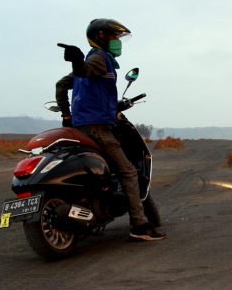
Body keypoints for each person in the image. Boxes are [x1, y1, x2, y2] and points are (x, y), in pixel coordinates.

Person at [55, 18, 165, 241]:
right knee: (128, 172)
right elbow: (85, 71)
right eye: (115, 37)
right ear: (102, 37)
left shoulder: (95, 61)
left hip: (80, 128)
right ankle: (139, 226)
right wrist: (77, 62)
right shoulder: (99, 59)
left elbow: (62, 85)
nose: (118, 42)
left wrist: (67, 116)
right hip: (98, 129)